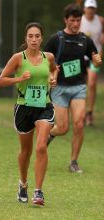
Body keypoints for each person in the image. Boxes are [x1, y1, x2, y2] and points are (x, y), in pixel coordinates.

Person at [0, 22, 59, 206]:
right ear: (26, 38)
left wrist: (53, 78)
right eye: (30, 36)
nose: (34, 39)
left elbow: (54, 68)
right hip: (24, 108)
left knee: (41, 146)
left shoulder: (48, 57)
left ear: (41, 38)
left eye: (37, 36)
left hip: (44, 106)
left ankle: (38, 192)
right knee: (26, 151)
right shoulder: (18, 58)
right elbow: (1, 81)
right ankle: (23, 183)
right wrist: (19, 78)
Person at [44, 3, 102, 173]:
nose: (76, 24)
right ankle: (48, 135)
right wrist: (51, 73)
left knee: (79, 124)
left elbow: (95, 58)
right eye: (72, 20)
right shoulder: (57, 39)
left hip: (78, 87)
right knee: (62, 128)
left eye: (78, 20)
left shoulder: (85, 40)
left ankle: (73, 161)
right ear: (65, 20)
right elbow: (43, 61)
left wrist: (97, 61)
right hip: (60, 88)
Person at [80, 0, 104, 126]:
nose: (90, 10)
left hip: (94, 57)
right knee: (80, 85)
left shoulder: (100, 20)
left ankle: (89, 112)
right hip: (80, 57)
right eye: (88, 8)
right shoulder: (79, 21)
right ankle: (81, 112)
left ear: (95, 9)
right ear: (84, 9)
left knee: (92, 82)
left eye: (92, 8)